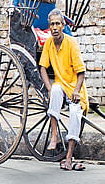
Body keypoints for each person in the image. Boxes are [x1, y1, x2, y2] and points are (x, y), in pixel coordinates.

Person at [40, 9, 88, 171]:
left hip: (75, 88)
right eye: (52, 24)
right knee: (54, 89)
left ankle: (68, 158)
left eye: (58, 24)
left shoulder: (71, 42)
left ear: (63, 25)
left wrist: (76, 91)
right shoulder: (48, 43)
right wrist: (48, 88)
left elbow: (81, 71)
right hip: (61, 87)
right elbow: (42, 68)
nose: (54, 27)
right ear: (49, 27)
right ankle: (54, 137)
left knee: (75, 113)